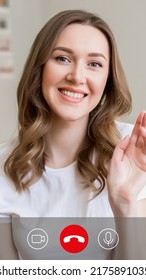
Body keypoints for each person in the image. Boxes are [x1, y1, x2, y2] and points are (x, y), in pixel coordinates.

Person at [0, 9, 146, 260]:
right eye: (63, 58)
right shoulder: (5, 165)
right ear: (40, 68)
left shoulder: (134, 152)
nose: (77, 76)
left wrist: (126, 203)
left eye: (94, 64)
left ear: (107, 81)